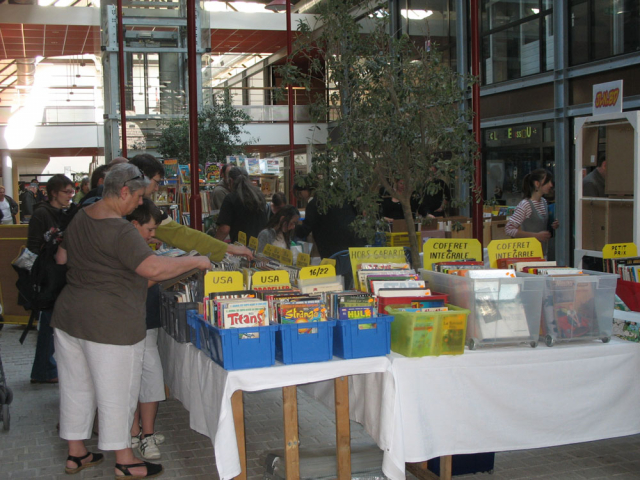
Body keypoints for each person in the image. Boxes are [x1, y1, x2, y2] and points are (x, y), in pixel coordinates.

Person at [51, 163, 211, 478]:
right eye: (138, 197)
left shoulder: (81, 216)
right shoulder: (120, 228)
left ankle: (77, 453)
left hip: (70, 316)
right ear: (124, 191)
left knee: (76, 388)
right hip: (112, 322)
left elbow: (62, 258)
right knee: (118, 393)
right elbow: (153, 269)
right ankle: (125, 460)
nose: (140, 203)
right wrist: (197, 259)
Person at [129, 155, 253, 260]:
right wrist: (229, 249)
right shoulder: (138, 208)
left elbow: (183, 234)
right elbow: (183, 235)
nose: (157, 189)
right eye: (156, 182)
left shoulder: (139, 206)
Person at [126, 199, 166, 461]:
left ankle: (142, 432)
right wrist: (172, 270)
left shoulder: (139, 246)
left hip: (147, 322)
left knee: (150, 377)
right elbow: (135, 284)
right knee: (140, 378)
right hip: (132, 323)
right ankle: (140, 434)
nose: (153, 235)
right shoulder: (125, 249)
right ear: (134, 224)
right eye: (149, 229)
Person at [27, 174, 76, 384]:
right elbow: (33, 246)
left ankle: (46, 367)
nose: (70, 196)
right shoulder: (41, 213)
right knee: (48, 322)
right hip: (48, 276)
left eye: (72, 191)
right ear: (54, 193)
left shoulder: (68, 212)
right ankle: (43, 369)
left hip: (61, 273)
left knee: (52, 322)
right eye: (66, 191)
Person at [505, 169, 560, 256]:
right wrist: (536, 235)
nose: (551, 185)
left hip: (542, 252)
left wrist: (553, 225)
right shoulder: (525, 205)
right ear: (537, 184)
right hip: (528, 254)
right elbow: (509, 229)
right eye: (547, 181)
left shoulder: (544, 202)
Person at [295, 199, 367, 259]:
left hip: (331, 249)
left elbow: (305, 229)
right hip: (354, 247)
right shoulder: (347, 199)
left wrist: (294, 227)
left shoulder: (315, 204)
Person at [215, 166, 267, 243]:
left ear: (231, 181)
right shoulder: (259, 196)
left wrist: (213, 243)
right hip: (260, 245)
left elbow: (224, 229)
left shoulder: (230, 198)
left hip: (241, 248)